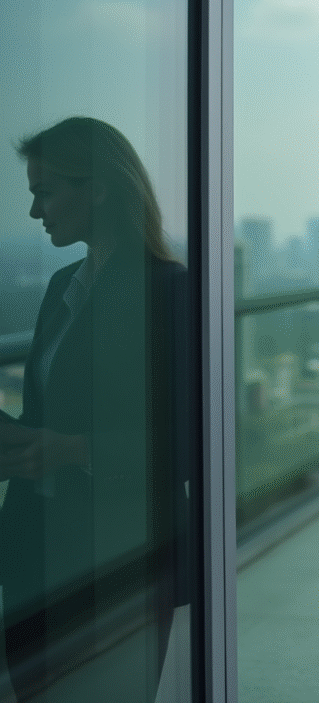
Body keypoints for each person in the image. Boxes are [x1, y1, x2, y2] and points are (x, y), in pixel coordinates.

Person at [0, 117, 190, 701]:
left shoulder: (169, 291)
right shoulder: (62, 287)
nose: (35, 212)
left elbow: (188, 440)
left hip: (119, 559)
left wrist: (78, 450)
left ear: (99, 188)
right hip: (40, 550)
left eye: (46, 192)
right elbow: (47, 412)